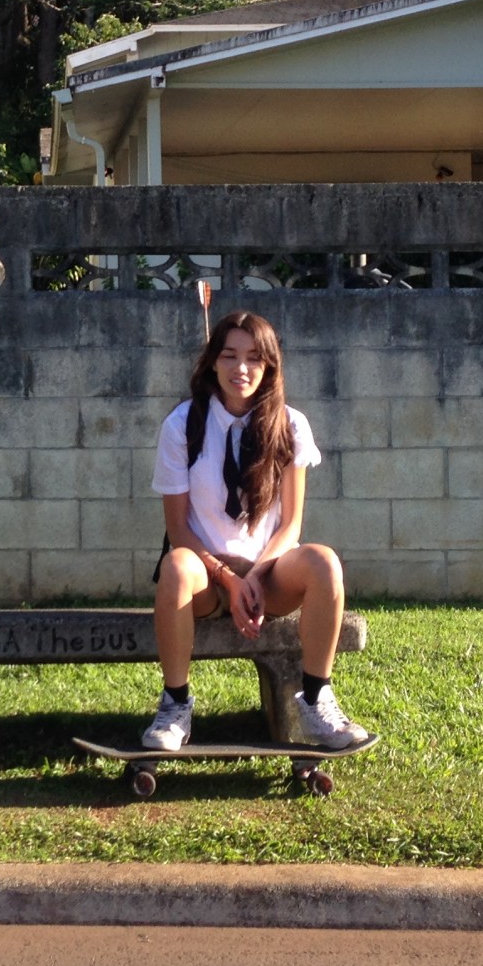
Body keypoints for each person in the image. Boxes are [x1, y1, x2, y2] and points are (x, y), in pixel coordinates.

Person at [144, 309, 371, 752]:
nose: (240, 368)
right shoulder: (181, 425)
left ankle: (317, 698)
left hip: (268, 572)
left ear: (269, 366)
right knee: (175, 566)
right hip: (206, 574)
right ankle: (175, 705)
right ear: (212, 362)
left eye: (253, 358)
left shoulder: (290, 425)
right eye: (229, 355)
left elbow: (291, 524)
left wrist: (253, 577)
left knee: (324, 561)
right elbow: (177, 528)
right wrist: (228, 579)